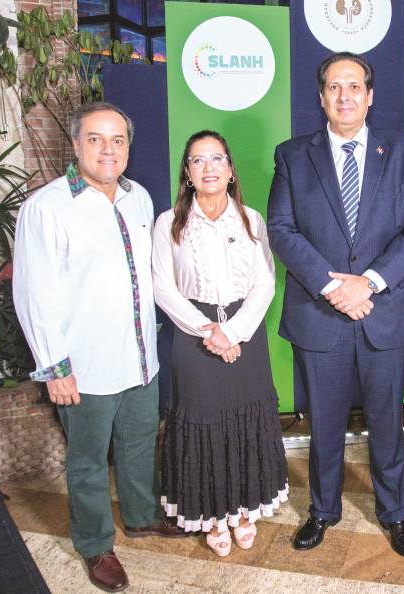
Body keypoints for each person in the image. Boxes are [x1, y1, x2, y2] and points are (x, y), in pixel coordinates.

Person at [13, 102, 187, 593]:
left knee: (138, 445)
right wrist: (54, 367)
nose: (107, 150)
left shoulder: (138, 197)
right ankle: (94, 545)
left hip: (139, 357)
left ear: (128, 148)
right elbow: (33, 292)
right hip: (83, 366)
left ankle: (141, 516)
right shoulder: (46, 207)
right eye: (95, 139)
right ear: (75, 145)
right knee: (87, 461)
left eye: (117, 140)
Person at [267, 51, 404, 557]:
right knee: (326, 423)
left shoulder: (403, 152)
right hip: (320, 315)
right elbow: (281, 228)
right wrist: (333, 286)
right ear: (321, 98)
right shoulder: (293, 155)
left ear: (370, 95)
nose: (345, 96)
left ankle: (395, 514)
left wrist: (371, 282)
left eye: (354, 86)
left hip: (386, 314)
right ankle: (322, 511)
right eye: (334, 87)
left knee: (387, 424)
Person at [151, 130, 288, 557]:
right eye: (197, 160)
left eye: (216, 159)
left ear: (230, 169)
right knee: (203, 424)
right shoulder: (168, 222)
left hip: (246, 337)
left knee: (244, 422)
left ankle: (245, 512)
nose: (208, 167)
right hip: (193, 339)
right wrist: (208, 329)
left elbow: (266, 282)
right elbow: (162, 287)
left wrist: (234, 331)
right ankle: (212, 516)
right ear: (188, 174)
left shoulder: (252, 219)